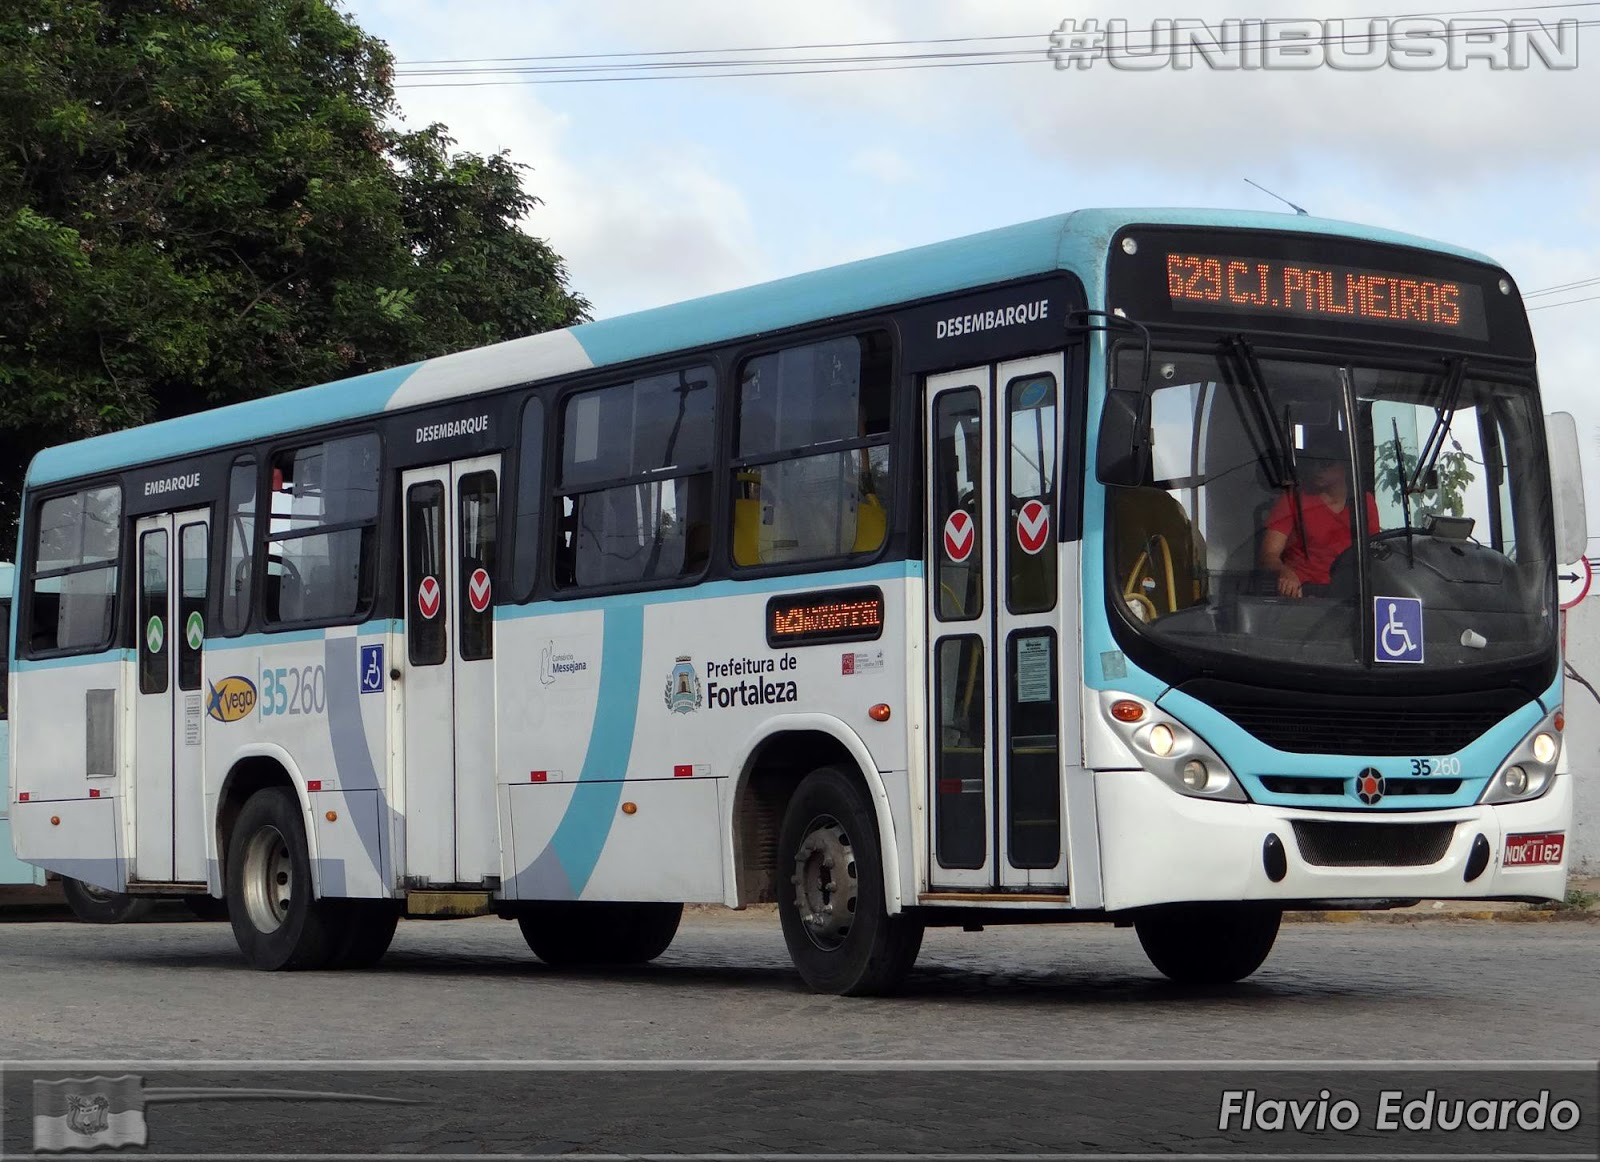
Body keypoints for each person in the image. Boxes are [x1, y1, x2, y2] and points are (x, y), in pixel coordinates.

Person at [1258, 431, 1380, 598]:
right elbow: (1268, 555)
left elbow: (1374, 554)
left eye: (1325, 462)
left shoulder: (1364, 502)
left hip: (1350, 597)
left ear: (1346, 465)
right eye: (1312, 462)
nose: (1316, 469)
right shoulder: (1293, 499)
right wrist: (1285, 573)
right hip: (1302, 594)